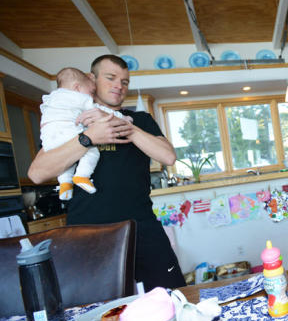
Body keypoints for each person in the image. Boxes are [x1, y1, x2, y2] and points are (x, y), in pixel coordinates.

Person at [28, 55, 186, 291]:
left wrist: (125, 127)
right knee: (100, 308)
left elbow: (168, 157)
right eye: (111, 78)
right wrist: (88, 138)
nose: (119, 86)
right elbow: (37, 174)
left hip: (142, 230)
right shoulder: (70, 120)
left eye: (124, 82)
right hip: (87, 235)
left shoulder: (139, 120)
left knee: (173, 297)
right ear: (91, 79)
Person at [40, 67, 133, 200]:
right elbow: (99, 110)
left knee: (68, 159)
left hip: (47, 137)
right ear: (77, 87)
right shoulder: (78, 97)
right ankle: (82, 176)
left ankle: (65, 183)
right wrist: (122, 118)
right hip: (67, 131)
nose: (92, 96)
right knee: (91, 151)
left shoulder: (51, 98)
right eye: (91, 92)